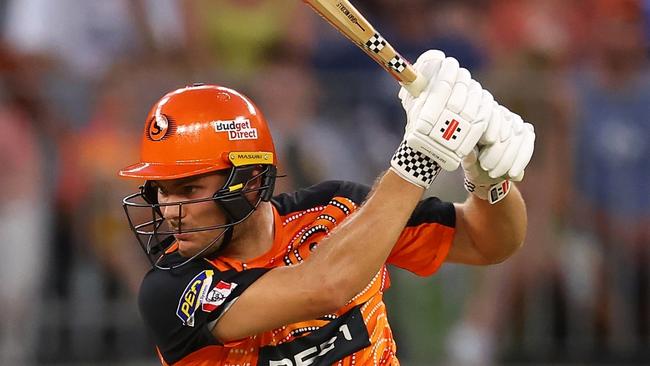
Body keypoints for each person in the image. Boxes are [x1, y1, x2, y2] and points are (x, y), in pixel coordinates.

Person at [119, 50, 535, 365]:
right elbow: (324, 286)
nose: (170, 209)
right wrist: (421, 155)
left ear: (249, 182)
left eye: (189, 189)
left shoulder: (340, 209)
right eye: (161, 191)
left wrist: (486, 178)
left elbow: (489, 243)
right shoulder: (170, 289)